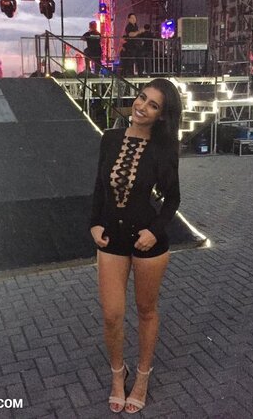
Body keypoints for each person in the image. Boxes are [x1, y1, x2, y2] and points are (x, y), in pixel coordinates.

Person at [90, 79, 182, 414]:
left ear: (162, 115)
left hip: (148, 243)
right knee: (112, 314)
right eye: (142, 98)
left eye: (153, 105)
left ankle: (142, 376)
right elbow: (99, 187)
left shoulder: (163, 148)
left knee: (146, 311)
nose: (142, 106)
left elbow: (173, 199)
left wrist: (155, 231)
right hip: (111, 239)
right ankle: (118, 373)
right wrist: (94, 222)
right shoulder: (110, 138)